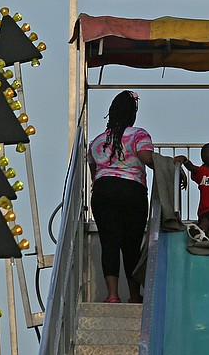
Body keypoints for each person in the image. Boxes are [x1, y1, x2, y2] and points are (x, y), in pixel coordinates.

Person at [87, 90, 153, 304]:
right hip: (131, 191)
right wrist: (169, 166)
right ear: (132, 113)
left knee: (110, 243)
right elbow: (147, 158)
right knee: (131, 245)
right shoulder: (138, 135)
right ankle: (134, 295)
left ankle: (112, 295)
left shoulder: (97, 142)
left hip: (103, 191)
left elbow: (93, 171)